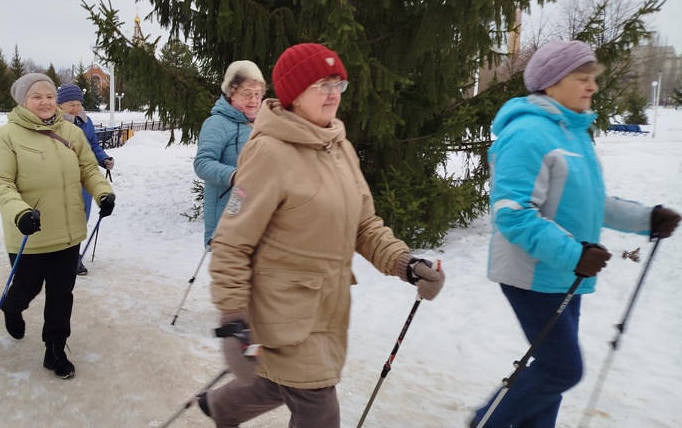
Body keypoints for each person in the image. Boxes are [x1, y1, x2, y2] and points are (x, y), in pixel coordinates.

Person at [203, 43, 446, 427]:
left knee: (280, 383)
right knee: (318, 408)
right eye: (322, 84)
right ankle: (226, 406)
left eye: (338, 83)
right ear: (294, 94)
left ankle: (223, 407)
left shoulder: (340, 147)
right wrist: (233, 319)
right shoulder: (269, 153)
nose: (334, 93)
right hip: (283, 311)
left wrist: (405, 263)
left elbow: (364, 224)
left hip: (328, 308)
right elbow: (232, 241)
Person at [470, 40, 680, 428]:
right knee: (562, 369)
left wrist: (646, 219)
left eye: (592, 79)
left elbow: (592, 203)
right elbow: (512, 214)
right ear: (550, 85)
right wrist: (572, 253)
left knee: (552, 373)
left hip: (567, 275)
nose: (592, 86)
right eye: (582, 78)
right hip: (532, 274)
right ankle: (485, 423)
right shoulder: (527, 134)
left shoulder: (573, 134)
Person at [0, 74, 115, 379]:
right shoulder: (7, 136)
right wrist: (20, 212)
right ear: (22, 101)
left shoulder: (71, 131)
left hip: (68, 233)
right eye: (36, 97)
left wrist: (103, 193)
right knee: (26, 288)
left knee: (61, 294)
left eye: (49, 96)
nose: (45, 102)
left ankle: (55, 348)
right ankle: (12, 307)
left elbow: (87, 169)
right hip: (29, 232)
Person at [193, 61, 265, 250]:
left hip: (258, 217)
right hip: (228, 218)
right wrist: (235, 176)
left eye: (258, 94)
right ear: (231, 93)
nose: (254, 100)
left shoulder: (263, 124)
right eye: (247, 94)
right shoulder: (216, 123)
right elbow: (202, 163)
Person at [55, 83, 115, 276]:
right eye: (71, 104)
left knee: (82, 216)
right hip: (62, 178)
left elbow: (93, 146)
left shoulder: (85, 122)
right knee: (63, 217)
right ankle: (59, 255)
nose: (76, 108)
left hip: (84, 178)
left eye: (79, 104)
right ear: (60, 105)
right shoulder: (55, 123)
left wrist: (104, 158)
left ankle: (74, 256)